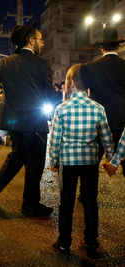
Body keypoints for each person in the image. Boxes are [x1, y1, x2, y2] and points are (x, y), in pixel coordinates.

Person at [0, 21, 54, 216]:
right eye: (40, 40)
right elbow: (50, 94)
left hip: (14, 123)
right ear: (31, 41)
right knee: (35, 164)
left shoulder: (5, 63)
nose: (43, 44)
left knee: (18, 156)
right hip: (35, 123)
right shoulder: (41, 64)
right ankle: (30, 205)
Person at [49, 64, 115, 260]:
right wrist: (111, 158)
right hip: (90, 162)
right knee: (90, 201)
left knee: (66, 202)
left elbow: (55, 139)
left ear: (70, 83)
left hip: (68, 163)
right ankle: (91, 243)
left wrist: (54, 160)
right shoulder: (98, 108)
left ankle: (64, 244)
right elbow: (106, 137)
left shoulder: (61, 109)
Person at [87, 26, 125, 176]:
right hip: (121, 121)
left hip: (98, 121)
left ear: (102, 48)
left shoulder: (91, 67)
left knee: (92, 162)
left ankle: (87, 196)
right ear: (118, 45)